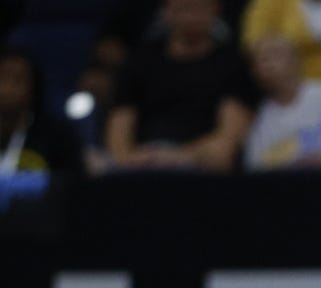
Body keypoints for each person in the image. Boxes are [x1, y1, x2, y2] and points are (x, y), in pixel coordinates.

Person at [104, 0, 256, 172]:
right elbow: (119, 127)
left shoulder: (232, 63)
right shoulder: (140, 61)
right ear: (167, 11)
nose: (191, 17)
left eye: (199, 8)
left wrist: (176, 157)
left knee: (220, 153)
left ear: (215, 10)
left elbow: (230, 136)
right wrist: (129, 159)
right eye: (183, 9)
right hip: (144, 160)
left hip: (200, 163)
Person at [244, 33, 321, 171]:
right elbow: (255, 163)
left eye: (276, 54)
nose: (269, 64)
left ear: (296, 59)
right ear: (255, 71)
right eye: (262, 59)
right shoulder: (262, 114)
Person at [0, 46, 86, 175]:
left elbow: (72, 185)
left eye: (18, 79)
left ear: (33, 87)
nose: (8, 88)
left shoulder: (57, 136)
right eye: (2, 78)